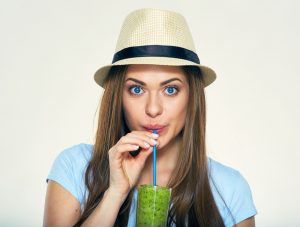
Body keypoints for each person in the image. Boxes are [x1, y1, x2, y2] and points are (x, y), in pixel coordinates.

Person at [43, 8, 257, 227]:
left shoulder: (230, 189)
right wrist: (115, 193)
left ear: (192, 97)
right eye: (136, 89)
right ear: (118, 96)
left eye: (171, 89)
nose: (153, 109)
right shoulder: (74, 168)